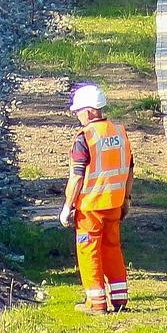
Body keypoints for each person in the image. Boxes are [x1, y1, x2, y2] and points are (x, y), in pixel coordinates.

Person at [60, 83, 131, 313]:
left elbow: (77, 178)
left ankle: (96, 303)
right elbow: (130, 170)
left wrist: (67, 206)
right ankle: (120, 299)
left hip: (90, 207)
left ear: (89, 111)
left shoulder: (85, 138)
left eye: (78, 112)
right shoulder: (119, 133)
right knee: (112, 248)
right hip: (115, 204)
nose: (77, 116)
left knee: (89, 251)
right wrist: (126, 199)